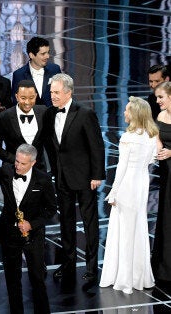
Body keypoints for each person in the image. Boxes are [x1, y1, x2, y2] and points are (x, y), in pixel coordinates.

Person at [43, 73, 105, 284]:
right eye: (51, 92)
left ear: (68, 92)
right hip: (62, 178)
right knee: (66, 223)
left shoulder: (85, 113)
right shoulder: (50, 114)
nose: (52, 96)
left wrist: (97, 175)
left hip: (86, 178)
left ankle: (91, 266)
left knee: (89, 223)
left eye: (56, 92)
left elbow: (96, 146)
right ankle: (68, 263)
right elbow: (51, 145)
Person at [0, 144, 56, 313]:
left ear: (33, 162)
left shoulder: (43, 179)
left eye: (23, 163)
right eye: (17, 161)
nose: (18, 166)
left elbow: (50, 209)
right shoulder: (6, 171)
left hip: (34, 236)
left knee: (37, 279)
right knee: (12, 280)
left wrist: (32, 224)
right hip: (9, 234)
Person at [100, 96, 157, 294]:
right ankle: (138, 277)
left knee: (123, 231)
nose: (124, 113)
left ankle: (122, 278)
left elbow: (121, 169)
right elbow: (151, 161)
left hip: (126, 186)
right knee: (138, 228)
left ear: (134, 114)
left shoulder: (128, 138)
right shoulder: (151, 136)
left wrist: (113, 192)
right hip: (141, 185)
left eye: (127, 110)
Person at [0, 79, 47, 171]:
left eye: (31, 98)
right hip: (13, 169)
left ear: (36, 96)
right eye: (23, 98)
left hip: (39, 170)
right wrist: (16, 160)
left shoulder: (44, 111)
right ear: (16, 97)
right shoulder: (5, 116)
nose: (27, 102)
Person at [153, 81, 171, 283]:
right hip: (166, 172)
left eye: (161, 97)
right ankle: (165, 269)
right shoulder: (160, 116)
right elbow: (158, 140)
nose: (157, 101)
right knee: (166, 216)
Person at [11, 36, 62, 107]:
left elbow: (61, 95)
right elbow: (16, 103)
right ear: (31, 55)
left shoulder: (55, 69)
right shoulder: (18, 75)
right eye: (43, 54)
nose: (47, 56)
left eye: (48, 52)